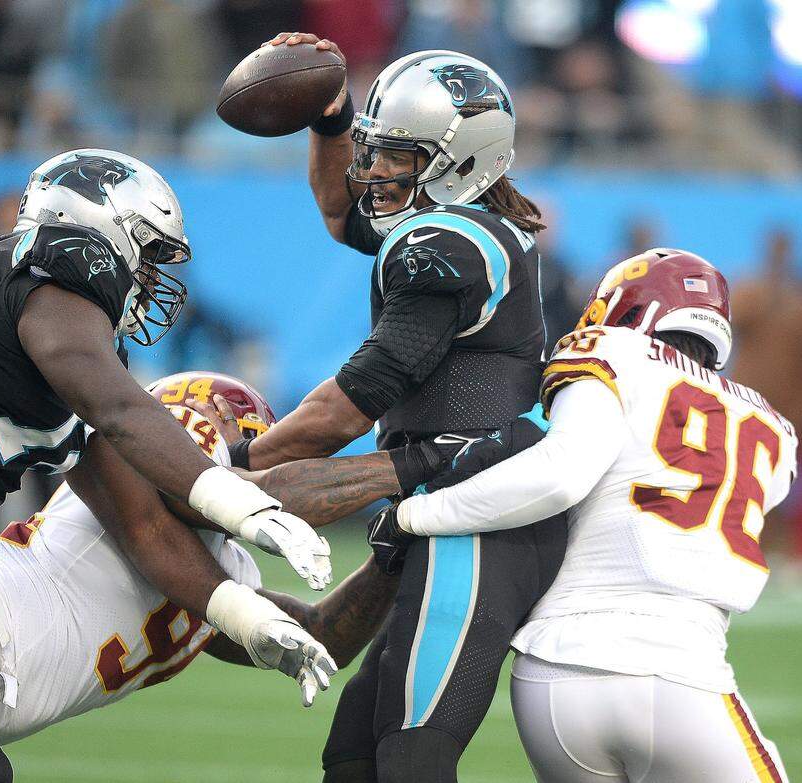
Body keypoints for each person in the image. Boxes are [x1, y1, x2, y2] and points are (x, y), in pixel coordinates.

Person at [0, 149, 331, 782]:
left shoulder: (72, 346)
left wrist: (246, 614)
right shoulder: (56, 268)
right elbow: (120, 407)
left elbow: (142, 525)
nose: (150, 280)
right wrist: (243, 505)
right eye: (146, 254)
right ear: (101, 230)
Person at [237, 34, 567, 783]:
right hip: (449, 505)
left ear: (460, 160)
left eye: (396, 156)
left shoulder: (448, 244)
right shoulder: (459, 222)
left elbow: (349, 407)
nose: (374, 169)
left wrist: (223, 469)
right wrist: (329, 116)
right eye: (373, 148)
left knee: (412, 757)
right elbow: (334, 208)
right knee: (354, 754)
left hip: (481, 521)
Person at [375, 249, 797, 782]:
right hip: (679, 673)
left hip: (554, 678)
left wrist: (417, 513)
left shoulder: (612, 350)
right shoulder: (772, 426)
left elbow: (560, 472)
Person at [0, 370, 406, 751]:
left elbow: (318, 636)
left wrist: (395, 548)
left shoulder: (225, 577)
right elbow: (253, 489)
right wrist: (412, 468)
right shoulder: (162, 466)